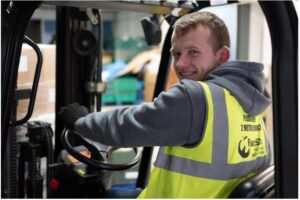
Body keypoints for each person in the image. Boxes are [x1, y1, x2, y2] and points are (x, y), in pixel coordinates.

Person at [59, 11, 272, 198]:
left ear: (222, 55)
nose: (180, 64)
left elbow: (128, 125)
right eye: (176, 54)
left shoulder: (196, 97)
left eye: (193, 52)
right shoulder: (249, 105)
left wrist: (81, 120)